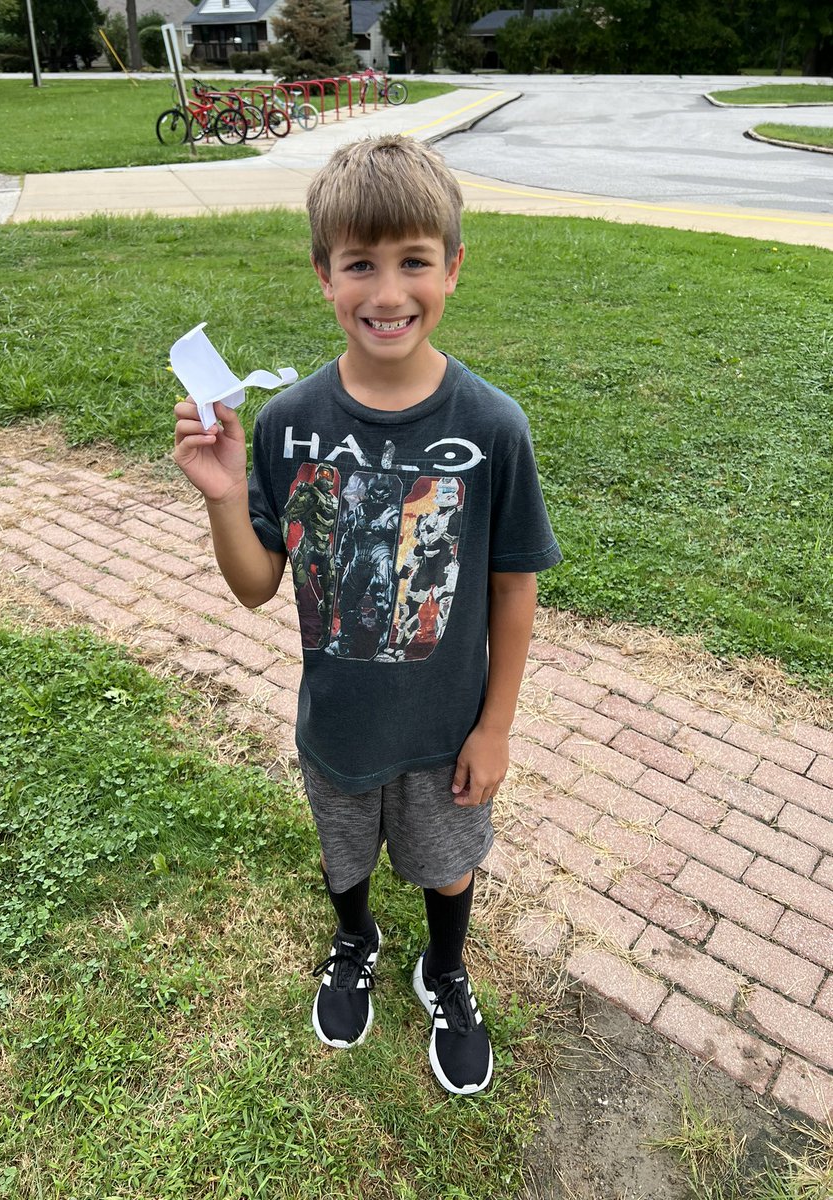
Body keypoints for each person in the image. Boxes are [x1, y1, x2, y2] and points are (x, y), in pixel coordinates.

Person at [173, 135, 562, 1096]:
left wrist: (497, 726)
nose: (387, 292)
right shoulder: (286, 424)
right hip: (337, 720)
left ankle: (447, 969)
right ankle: (354, 940)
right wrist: (225, 494)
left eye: (413, 261)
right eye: (360, 264)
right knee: (342, 851)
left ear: (453, 268)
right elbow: (258, 583)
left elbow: (515, 582)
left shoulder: (491, 426)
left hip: (445, 728)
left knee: (447, 863)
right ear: (324, 276)